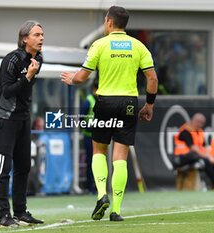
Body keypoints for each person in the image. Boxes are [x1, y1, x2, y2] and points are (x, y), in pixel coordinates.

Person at [61, 6, 158, 221]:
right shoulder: (138, 46)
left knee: (99, 150)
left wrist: (71, 78)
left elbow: (82, 77)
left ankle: (101, 194)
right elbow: (152, 79)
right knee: (120, 156)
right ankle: (116, 210)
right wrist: (149, 105)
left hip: (105, 102)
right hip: (130, 103)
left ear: (109, 22)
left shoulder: (100, 45)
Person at [0, 20, 44, 227]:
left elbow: (25, 90)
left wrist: (29, 77)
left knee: (24, 166)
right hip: (4, 117)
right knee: (3, 168)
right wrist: (27, 76)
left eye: (42, 35)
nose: (41, 38)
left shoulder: (38, 58)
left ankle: (20, 211)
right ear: (24, 39)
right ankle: (4, 215)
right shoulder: (11, 60)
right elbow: (7, 91)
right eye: (37, 35)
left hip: (23, 116)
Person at [173, 113, 214, 189]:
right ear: (194, 121)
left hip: (195, 156)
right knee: (205, 160)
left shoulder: (199, 132)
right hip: (181, 158)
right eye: (199, 122)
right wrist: (208, 157)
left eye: (202, 123)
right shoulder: (185, 131)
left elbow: (205, 147)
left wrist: (211, 156)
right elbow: (193, 148)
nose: (201, 125)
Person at [81, 80, 98, 194]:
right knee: (91, 161)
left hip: (100, 136)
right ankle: (90, 187)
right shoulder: (89, 101)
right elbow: (81, 118)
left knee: (99, 162)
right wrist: (88, 127)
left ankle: (98, 187)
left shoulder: (102, 100)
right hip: (89, 136)